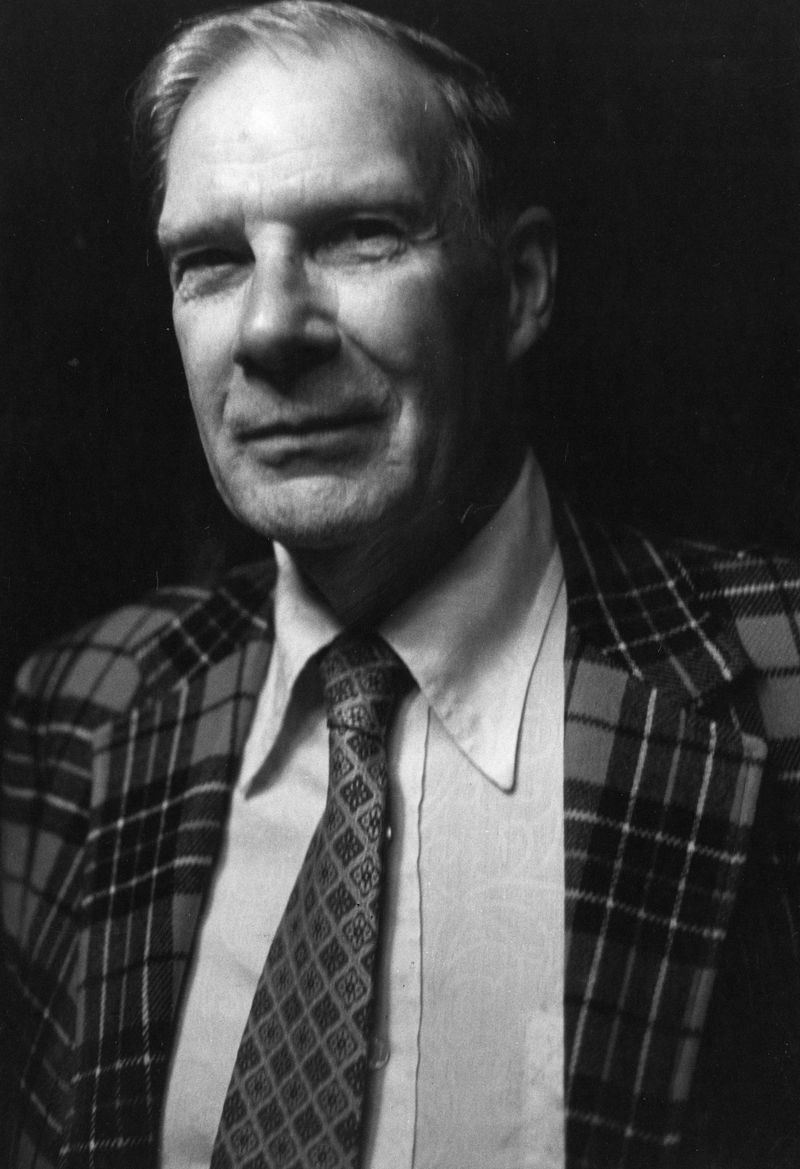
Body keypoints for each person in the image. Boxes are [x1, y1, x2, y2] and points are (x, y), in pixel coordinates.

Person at [2, 3, 799, 1167]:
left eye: (358, 235)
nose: (269, 329)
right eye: (211, 260)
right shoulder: (72, 706)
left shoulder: (779, 676)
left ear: (518, 287)